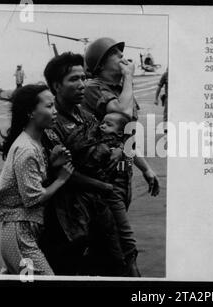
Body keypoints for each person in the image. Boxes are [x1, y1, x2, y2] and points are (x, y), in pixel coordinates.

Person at [41, 52, 131, 276]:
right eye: (74, 79)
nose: (82, 84)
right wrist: (103, 187)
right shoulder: (51, 123)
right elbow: (63, 174)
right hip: (68, 217)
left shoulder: (87, 116)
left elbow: (108, 139)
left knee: (115, 266)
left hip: (99, 211)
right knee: (69, 271)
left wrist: (118, 150)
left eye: (83, 77)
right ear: (56, 86)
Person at [0, 84, 74, 275]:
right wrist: (61, 179)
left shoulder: (33, 142)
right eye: (49, 106)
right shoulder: (27, 149)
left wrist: (51, 164)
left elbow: (29, 181)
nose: (55, 111)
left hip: (22, 233)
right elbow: (32, 198)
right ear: (31, 112)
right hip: (20, 235)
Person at [83, 37, 160, 207]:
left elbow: (125, 138)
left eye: (121, 52)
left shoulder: (121, 91)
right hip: (103, 177)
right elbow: (122, 112)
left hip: (123, 173)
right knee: (117, 232)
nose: (122, 56)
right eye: (114, 54)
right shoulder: (93, 87)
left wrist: (145, 168)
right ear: (100, 65)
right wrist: (128, 77)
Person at [154, 67, 168, 132]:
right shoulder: (165, 75)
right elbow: (159, 86)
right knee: (166, 114)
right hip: (168, 98)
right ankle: (166, 129)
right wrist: (156, 99)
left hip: (177, 98)